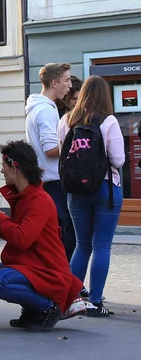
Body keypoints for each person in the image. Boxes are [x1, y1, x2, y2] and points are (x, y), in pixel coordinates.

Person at [0, 141, 84, 332]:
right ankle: (31, 309)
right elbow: (15, 231)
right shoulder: (24, 197)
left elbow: (22, 238)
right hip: (28, 265)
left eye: (4, 166)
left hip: (46, 271)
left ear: (15, 167)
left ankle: (48, 308)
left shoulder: (39, 200)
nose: (2, 171)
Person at [58, 75, 124, 316]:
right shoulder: (108, 121)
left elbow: (63, 152)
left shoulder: (66, 120)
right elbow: (118, 159)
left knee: (81, 245)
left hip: (75, 190)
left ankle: (72, 299)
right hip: (105, 189)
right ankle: (95, 302)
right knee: (102, 245)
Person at [25, 63, 75, 261]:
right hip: (53, 182)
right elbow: (51, 149)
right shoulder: (45, 110)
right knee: (66, 238)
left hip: (46, 180)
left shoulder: (39, 107)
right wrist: (76, 144)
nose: (70, 85)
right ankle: (66, 283)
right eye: (67, 80)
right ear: (55, 82)